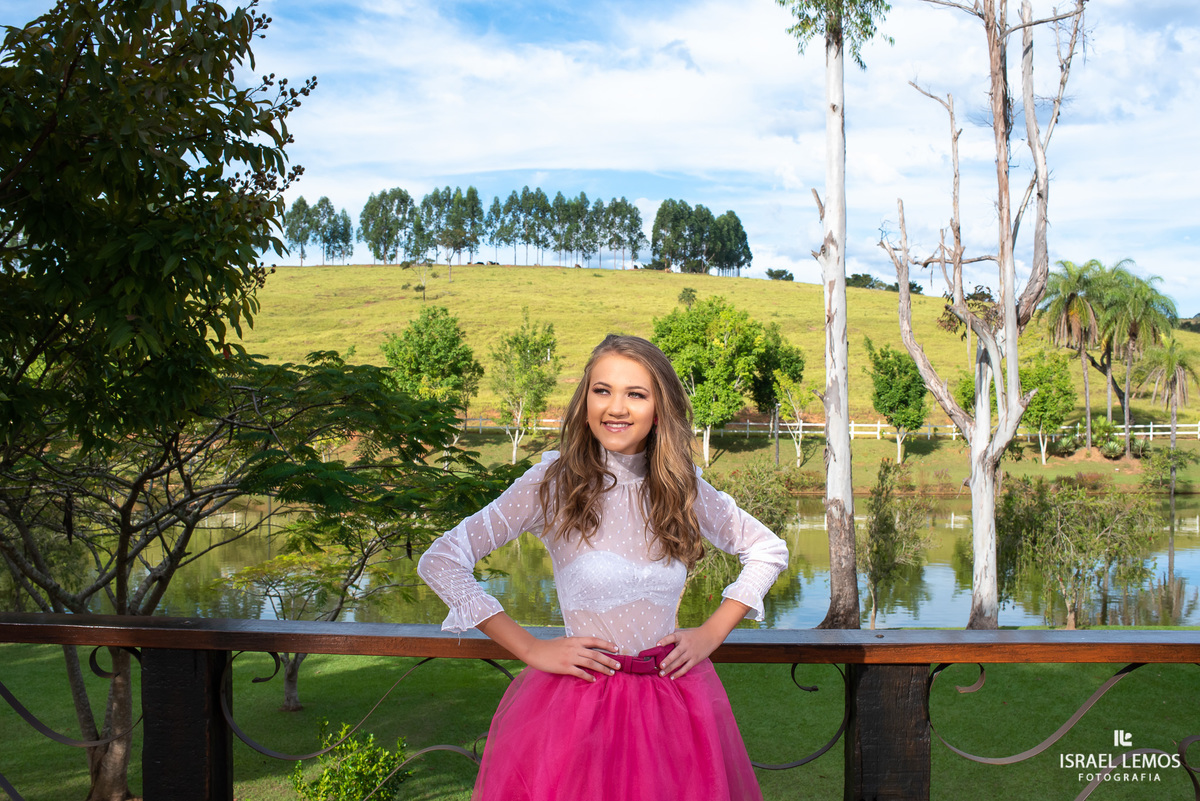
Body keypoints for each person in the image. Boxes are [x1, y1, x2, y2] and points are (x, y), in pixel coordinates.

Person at [417, 334, 789, 801]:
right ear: (585, 402)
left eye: (636, 394)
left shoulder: (681, 486)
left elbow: (768, 550)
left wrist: (712, 633)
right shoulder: (553, 482)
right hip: (579, 711)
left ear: (660, 410)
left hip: (674, 706)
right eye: (602, 390)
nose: (616, 408)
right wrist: (530, 648)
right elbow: (442, 560)